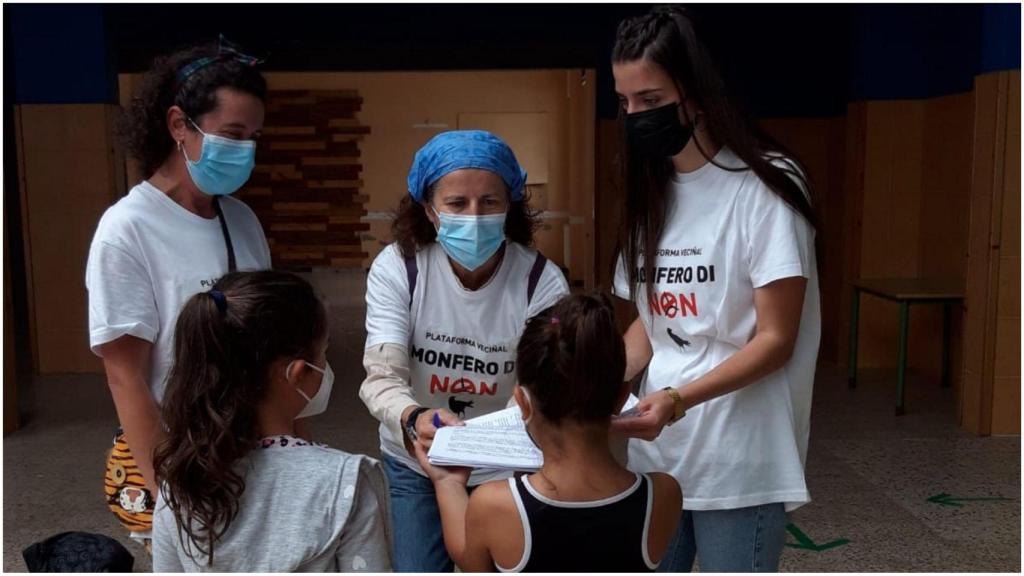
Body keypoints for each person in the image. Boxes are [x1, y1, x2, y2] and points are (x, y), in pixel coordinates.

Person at [608, 6, 821, 573]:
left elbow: (776, 338)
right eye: (625, 102)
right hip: (660, 458)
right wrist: (599, 379)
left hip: (740, 461)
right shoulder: (651, 192)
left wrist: (678, 400)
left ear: (696, 93)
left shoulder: (766, 184)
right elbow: (652, 328)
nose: (634, 116)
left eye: (650, 100)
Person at [86, 38, 275, 546]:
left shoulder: (242, 219)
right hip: (179, 458)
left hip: (249, 446)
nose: (245, 150)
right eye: (232, 134)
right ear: (178, 126)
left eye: (253, 137)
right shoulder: (128, 229)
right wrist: (169, 499)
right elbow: (125, 376)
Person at [360, 130, 570, 571]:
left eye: (489, 202)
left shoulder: (540, 280)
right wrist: (415, 418)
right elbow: (382, 376)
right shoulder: (401, 267)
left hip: (508, 462)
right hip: (417, 458)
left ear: (510, 204)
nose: (474, 216)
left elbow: (549, 385)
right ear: (429, 210)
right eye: (457, 203)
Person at [413, 293, 682, 572]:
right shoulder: (663, 495)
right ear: (622, 395)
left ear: (522, 403)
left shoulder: (497, 505)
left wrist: (448, 483)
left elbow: (472, 559)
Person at [151, 270, 392, 572]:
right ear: (297, 373)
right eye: (324, 353)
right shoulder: (345, 482)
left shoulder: (179, 486)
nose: (326, 366)